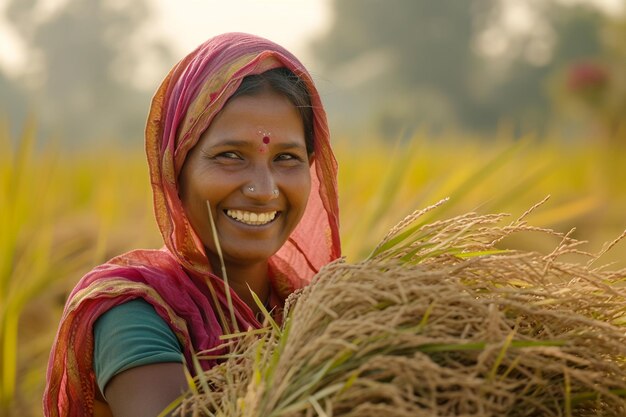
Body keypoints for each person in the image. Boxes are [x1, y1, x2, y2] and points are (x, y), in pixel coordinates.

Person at [43, 32, 341, 417]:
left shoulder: (317, 312)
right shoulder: (133, 314)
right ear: (176, 170)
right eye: (230, 155)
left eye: (287, 158)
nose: (264, 190)